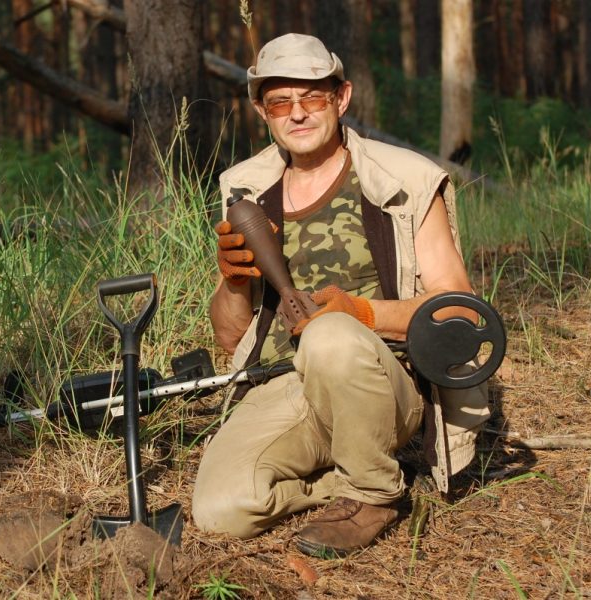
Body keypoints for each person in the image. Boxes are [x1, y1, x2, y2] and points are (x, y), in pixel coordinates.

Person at [192, 33, 489, 558]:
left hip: (386, 383)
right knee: (221, 510)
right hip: (290, 384)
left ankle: (372, 492)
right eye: (281, 101)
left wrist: (362, 313)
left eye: (313, 98)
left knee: (329, 336)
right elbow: (231, 336)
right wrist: (235, 279)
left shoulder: (404, 179)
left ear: (342, 98)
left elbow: (459, 314)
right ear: (262, 111)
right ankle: (348, 472)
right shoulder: (245, 188)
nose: (298, 113)